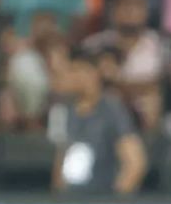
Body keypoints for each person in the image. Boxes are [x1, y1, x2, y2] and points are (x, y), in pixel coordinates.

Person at [49, 49, 147, 196]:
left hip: (102, 199)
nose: (71, 77)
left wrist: (115, 202)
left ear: (92, 73)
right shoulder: (64, 111)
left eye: (76, 70)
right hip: (70, 203)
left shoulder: (112, 109)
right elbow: (61, 160)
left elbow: (135, 163)